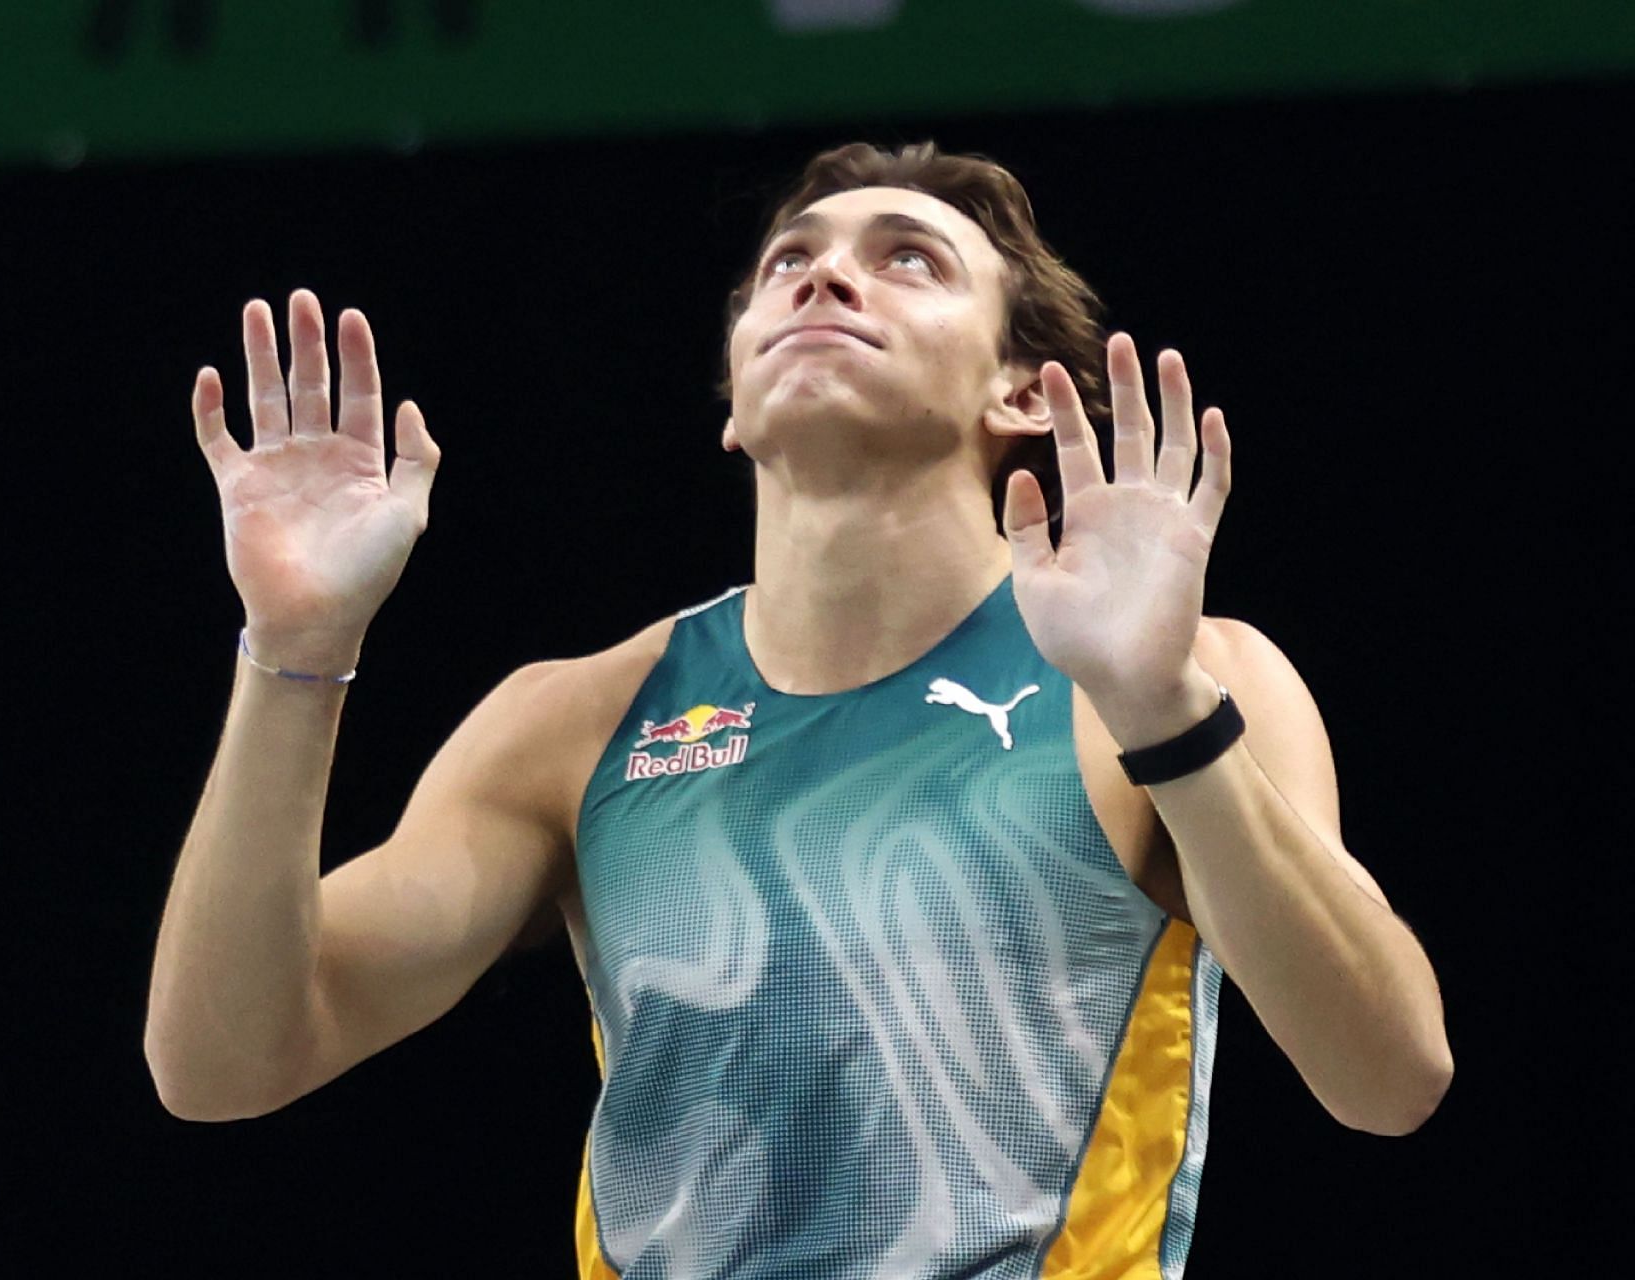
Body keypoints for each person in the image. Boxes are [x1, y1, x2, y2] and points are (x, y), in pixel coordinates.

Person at [144, 141, 1453, 1278]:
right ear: (734, 399)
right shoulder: (576, 724)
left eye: (909, 260)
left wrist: (1167, 710)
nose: (824, 277)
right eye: (788, 263)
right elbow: (225, 1062)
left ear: (1017, 392)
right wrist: (294, 650)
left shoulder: (1178, 685)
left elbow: (1389, 1078)